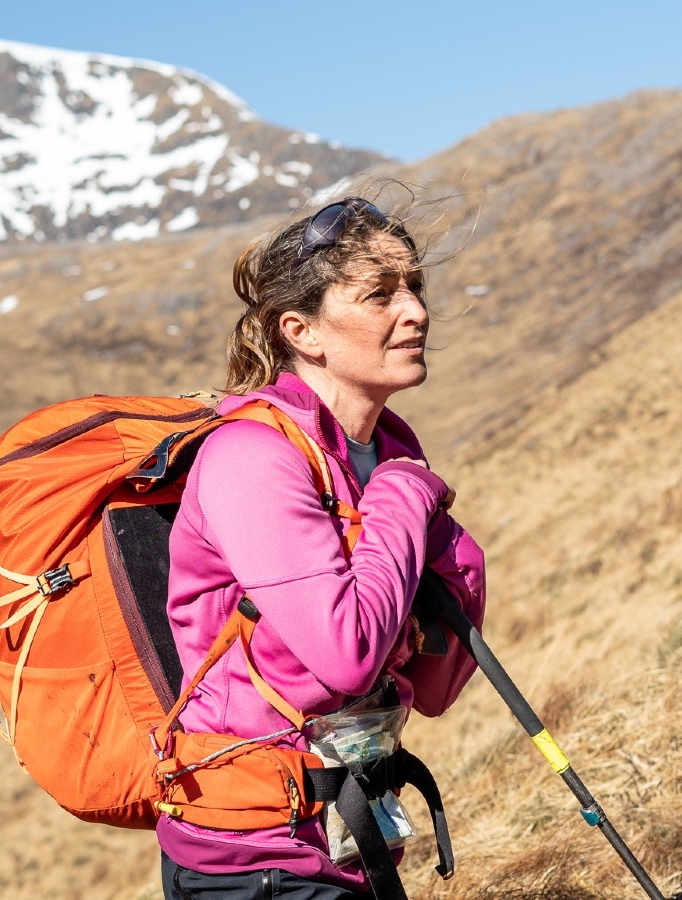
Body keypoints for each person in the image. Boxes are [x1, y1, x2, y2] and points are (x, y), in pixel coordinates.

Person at [159, 195, 488, 899]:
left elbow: (434, 686)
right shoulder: (251, 458)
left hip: (352, 829)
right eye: (379, 294)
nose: (416, 312)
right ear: (302, 332)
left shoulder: (388, 446)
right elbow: (346, 653)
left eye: (415, 288)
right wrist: (406, 498)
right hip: (253, 862)